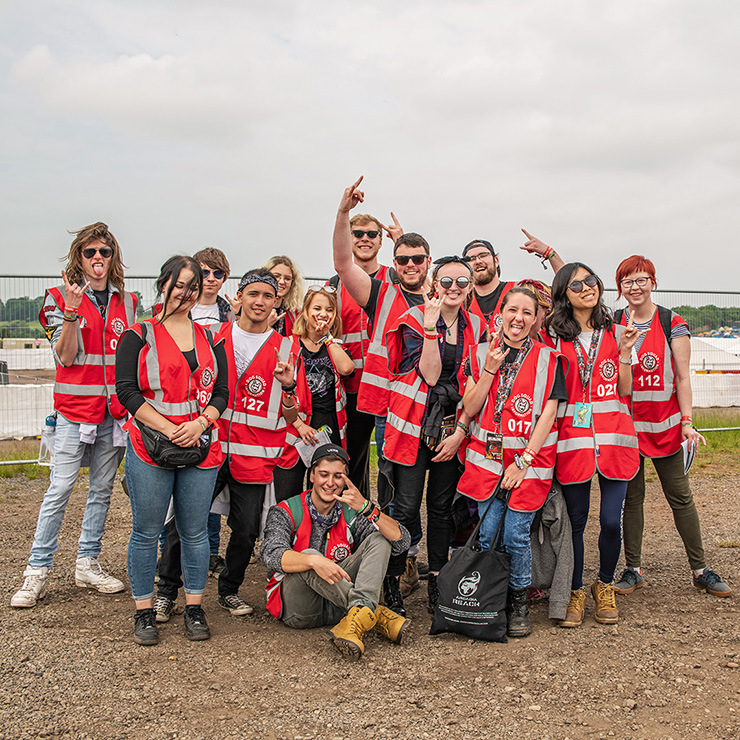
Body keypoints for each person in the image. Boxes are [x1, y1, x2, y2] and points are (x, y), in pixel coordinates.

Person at [154, 269, 298, 622]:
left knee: (247, 530)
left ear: (276, 301)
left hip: (255, 458)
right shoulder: (212, 337)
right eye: (253, 294)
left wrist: (290, 387)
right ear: (240, 296)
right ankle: (166, 591)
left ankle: (229, 590)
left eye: (268, 295)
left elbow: (295, 413)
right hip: (207, 450)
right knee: (184, 522)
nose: (260, 301)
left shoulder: (286, 346)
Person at [11, 223, 136, 609]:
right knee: (60, 490)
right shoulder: (54, 299)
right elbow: (66, 356)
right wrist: (69, 310)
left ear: (113, 258)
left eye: (105, 252)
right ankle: (36, 571)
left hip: (112, 415)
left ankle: (87, 562)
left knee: (100, 491)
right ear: (78, 257)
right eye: (90, 252)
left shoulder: (128, 303)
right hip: (73, 412)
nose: (98, 258)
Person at [115, 256, 229, 645]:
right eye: (179, 284)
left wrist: (199, 424)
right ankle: (144, 611)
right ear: (163, 284)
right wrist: (168, 429)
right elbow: (126, 390)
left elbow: (222, 392)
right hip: (151, 447)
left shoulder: (211, 337)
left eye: (192, 286)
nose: (185, 292)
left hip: (199, 446)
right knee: (147, 532)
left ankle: (195, 607)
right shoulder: (138, 334)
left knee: (195, 531)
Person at [612, 256, 731, 598]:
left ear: (653, 281)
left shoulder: (671, 321)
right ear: (620, 288)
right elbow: (574, 290)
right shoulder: (614, 322)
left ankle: (700, 569)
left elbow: (681, 376)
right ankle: (632, 569)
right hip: (628, 428)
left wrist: (687, 422)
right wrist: (550, 255)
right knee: (631, 499)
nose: (635, 287)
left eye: (641, 280)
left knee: (680, 497)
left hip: (664, 427)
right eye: (628, 282)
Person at [458, 286, 565, 637]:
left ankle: (518, 603)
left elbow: (549, 415)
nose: (518, 318)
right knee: (488, 533)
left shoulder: (550, 360)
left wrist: (524, 460)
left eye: (527, 313)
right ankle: (492, 598)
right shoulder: (477, 354)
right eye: (512, 310)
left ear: (537, 319)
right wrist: (490, 369)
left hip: (529, 464)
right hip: (487, 464)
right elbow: (470, 408)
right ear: (500, 313)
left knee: (517, 534)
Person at [382, 256, 486, 615]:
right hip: (413, 424)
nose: (453, 289)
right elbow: (428, 376)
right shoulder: (412, 320)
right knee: (406, 507)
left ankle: (438, 582)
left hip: (452, 424)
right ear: (433, 285)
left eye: (461, 282)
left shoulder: (478, 325)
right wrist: (430, 328)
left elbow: (479, 383)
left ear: (471, 287)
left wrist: (461, 431)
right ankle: (395, 576)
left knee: (442, 508)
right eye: (446, 282)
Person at [545, 262, 643, 628]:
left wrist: (626, 353)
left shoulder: (618, 331)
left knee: (610, 521)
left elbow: (625, 391)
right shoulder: (553, 337)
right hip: (572, 443)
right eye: (576, 285)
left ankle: (604, 584)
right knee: (574, 522)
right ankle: (573, 591)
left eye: (591, 280)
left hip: (615, 441)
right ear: (563, 297)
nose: (588, 287)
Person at [261, 444, 411, 660]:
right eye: (323, 474)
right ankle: (373, 612)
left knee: (380, 537)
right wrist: (313, 561)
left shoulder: (351, 512)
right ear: (312, 476)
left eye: (338, 476)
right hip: (301, 609)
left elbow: (401, 542)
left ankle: (358, 614)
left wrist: (367, 509)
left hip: (340, 604)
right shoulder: (285, 511)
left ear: (346, 480)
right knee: (310, 556)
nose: (330, 483)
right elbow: (270, 554)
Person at [328, 211, 400, 497]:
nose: (365, 239)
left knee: (388, 461)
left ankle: (384, 520)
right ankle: (354, 525)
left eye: (372, 234)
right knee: (352, 460)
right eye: (357, 234)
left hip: (387, 387)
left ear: (381, 241)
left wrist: (402, 241)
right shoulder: (336, 283)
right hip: (351, 388)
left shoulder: (393, 278)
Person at [273, 286, 354, 501]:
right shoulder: (289, 343)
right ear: (306, 311)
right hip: (295, 422)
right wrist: (298, 424)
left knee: (329, 487)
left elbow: (347, 368)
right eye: (317, 308)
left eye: (329, 310)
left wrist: (326, 337)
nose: (323, 314)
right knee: (287, 486)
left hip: (328, 423)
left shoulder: (334, 345)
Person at [190, 247, 235, 577]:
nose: (210, 280)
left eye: (217, 274)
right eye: (204, 272)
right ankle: (173, 551)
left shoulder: (229, 314)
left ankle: (210, 552)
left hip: (217, 407)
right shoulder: (176, 308)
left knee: (212, 482)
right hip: (184, 405)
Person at [463, 230, 564, 334]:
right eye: (471, 259)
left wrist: (550, 253)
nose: (478, 261)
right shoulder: (460, 302)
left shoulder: (522, 289)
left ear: (496, 261)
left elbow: (569, 291)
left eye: (483, 255)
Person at [263, 255, 304, 337]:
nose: (282, 282)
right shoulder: (254, 308)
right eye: (276, 276)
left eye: (287, 278)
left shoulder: (295, 313)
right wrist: (265, 326)